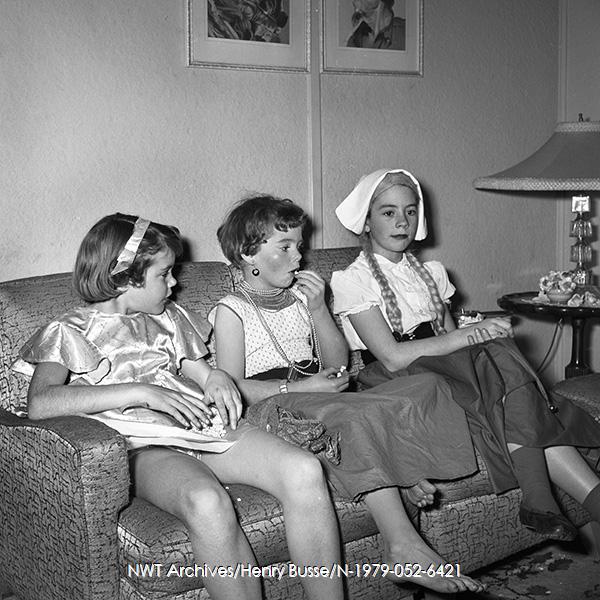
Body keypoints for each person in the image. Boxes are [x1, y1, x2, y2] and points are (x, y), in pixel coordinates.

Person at [13, 213, 344, 600]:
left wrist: (217, 379)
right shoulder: (69, 330)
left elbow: (205, 374)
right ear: (125, 276)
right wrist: (140, 391)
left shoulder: (169, 318)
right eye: (164, 274)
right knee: (206, 501)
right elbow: (40, 403)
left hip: (201, 429)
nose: (175, 283)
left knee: (303, 469)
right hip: (143, 446)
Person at [210, 195, 485, 595]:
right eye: (284, 247)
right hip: (271, 405)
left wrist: (320, 309)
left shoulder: (302, 299)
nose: (298, 257)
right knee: (350, 418)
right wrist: (303, 387)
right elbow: (230, 387)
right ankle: (402, 544)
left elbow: (339, 363)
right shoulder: (231, 310)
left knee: (425, 386)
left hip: (318, 392)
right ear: (247, 253)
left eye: (299, 246)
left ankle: (398, 468)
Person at [331, 168, 600, 542]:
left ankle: (546, 503)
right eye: (388, 212)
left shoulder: (430, 273)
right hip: (398, 379)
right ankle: (544, 498)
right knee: (500, 364)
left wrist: (479, 331)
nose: (402, 222)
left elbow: (450, 338)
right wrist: (472, 337)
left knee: (500, 364)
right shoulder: (352, 280)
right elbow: (391, 356)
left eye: (410, 211)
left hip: (442, 366)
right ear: (366, 221)